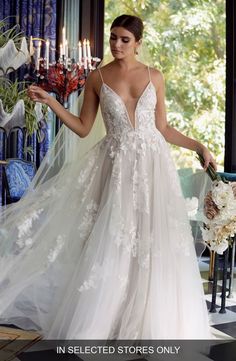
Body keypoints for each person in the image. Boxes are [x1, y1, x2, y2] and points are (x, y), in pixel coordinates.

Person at [0, 14, 216, 339]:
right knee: (115, 240)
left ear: (139, 43)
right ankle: (109, 318)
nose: (116, 44)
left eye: (124, 40)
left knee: (152, 241)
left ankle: (148, 320)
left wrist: (198, 145)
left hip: (153, 168)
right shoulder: (97, 78)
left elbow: (163, 128)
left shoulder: (154, 76)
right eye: (113, 37)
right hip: (115, 168)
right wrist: (53, 102)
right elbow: (84, 128)